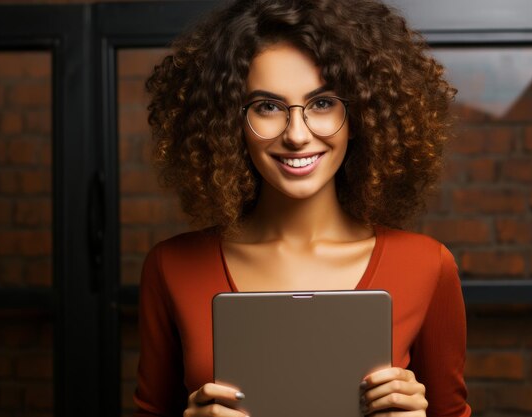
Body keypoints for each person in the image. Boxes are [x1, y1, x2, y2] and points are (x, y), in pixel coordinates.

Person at [135, 0, 470, 416]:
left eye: (323, 103)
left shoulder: (427, 266)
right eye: (268, 107)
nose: (297, 135)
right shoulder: (171, 267)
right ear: (227, 122)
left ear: (361, 116)